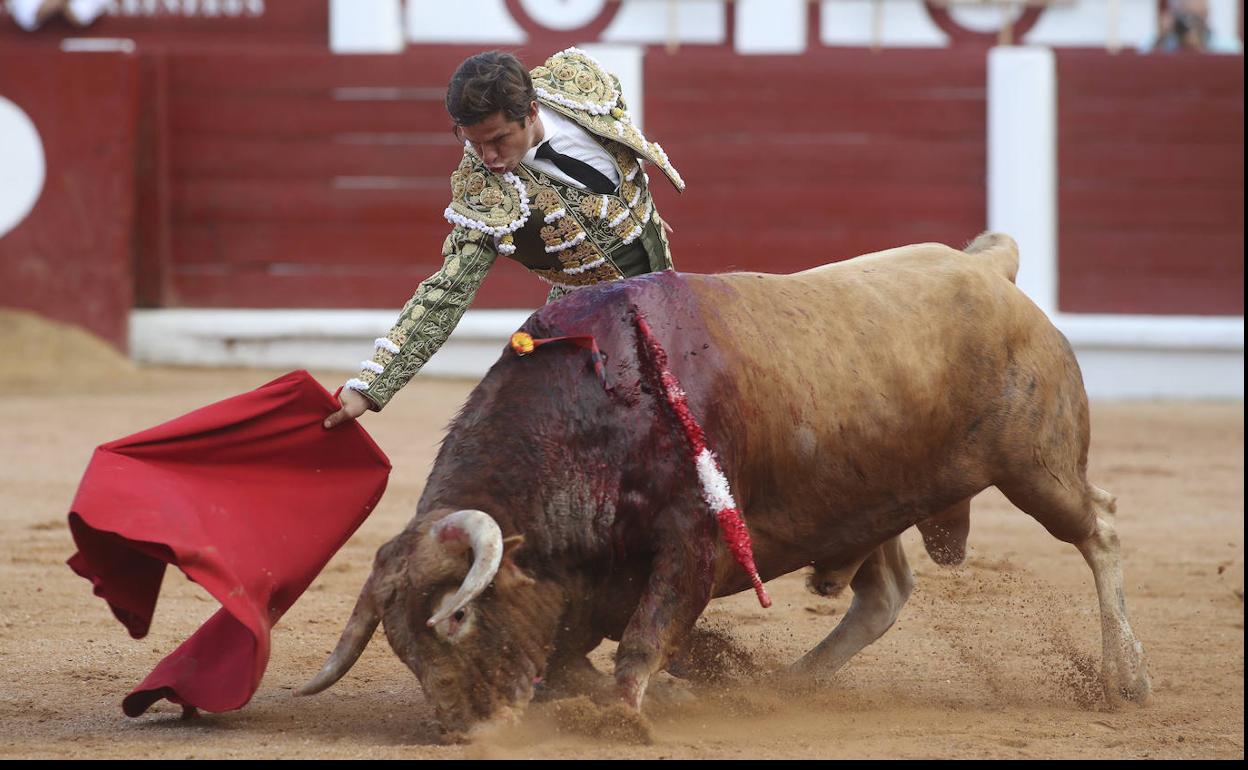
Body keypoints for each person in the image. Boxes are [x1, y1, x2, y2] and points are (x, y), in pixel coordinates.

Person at [324, 48, 684, 429]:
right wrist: (370, 387)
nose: (488, 157)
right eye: (473, 142)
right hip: (591, 327)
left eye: (498, 140)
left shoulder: (578, 84)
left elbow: (621, 146)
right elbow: (447, 292)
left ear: (530, 112)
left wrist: (638, 215)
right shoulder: (485, 194)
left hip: (667, 292)